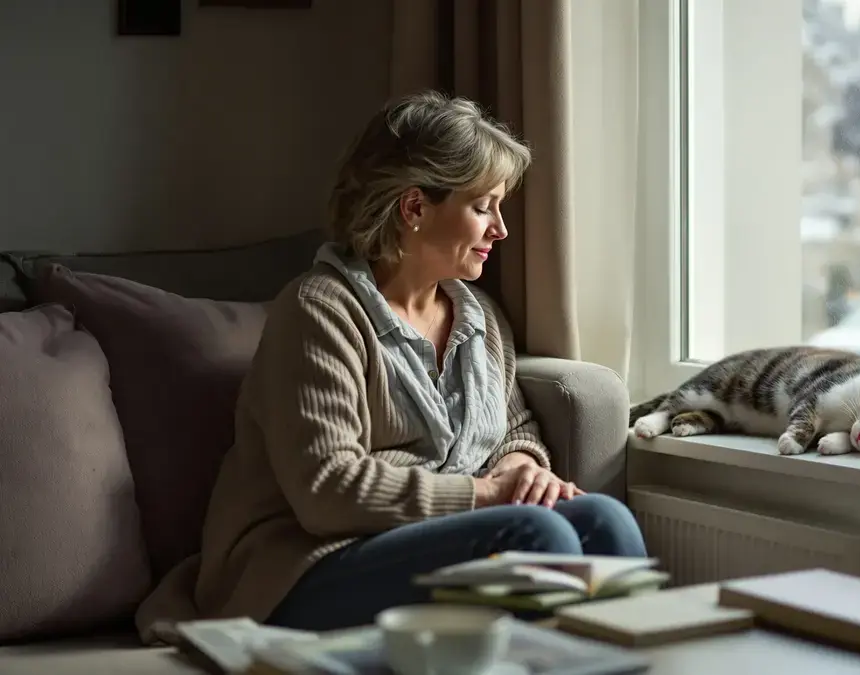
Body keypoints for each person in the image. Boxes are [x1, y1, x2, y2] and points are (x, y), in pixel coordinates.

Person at [134, 91, 647, 638]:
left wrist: (522, 465)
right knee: (535, 538)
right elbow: (328, 491)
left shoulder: (480, 318)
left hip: (431, 541)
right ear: (414, 208)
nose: (500, 229)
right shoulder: (319, 311)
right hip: (303, 566)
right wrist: (485, 495)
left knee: (604, 520)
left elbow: (513, 427)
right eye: (482, 207)